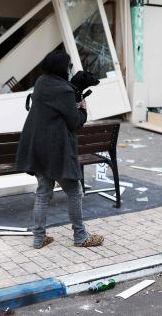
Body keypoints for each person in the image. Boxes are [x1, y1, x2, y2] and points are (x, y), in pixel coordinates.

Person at [16, 50, 104, 249]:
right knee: (74, 190)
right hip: (57, 150)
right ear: (61, 67)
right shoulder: (64, 90)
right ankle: (80, 236)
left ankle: (39, 238)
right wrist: (82, 108)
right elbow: (74, 122)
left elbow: (55, 111)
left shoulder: (41, 82)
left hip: (37, 148)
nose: (70, 69)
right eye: (69, 65)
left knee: (43, 192)